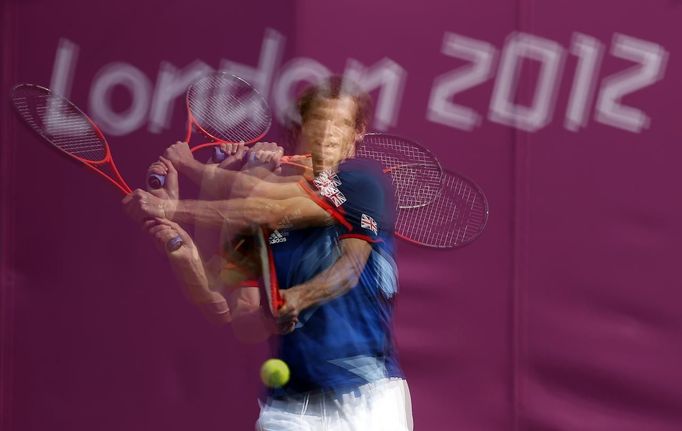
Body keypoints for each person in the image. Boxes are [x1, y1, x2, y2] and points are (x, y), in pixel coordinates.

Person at [123, 76, 413, 430]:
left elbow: (268, 209)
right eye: (319, 121)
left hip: (367, 394)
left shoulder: (361, 183)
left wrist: (186, 181)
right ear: (301, 128)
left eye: (340, 123)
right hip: (290, 406)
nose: (327, 133)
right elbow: (231, 312)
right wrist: (180, 247)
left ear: (357, 135)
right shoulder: (257, 205)